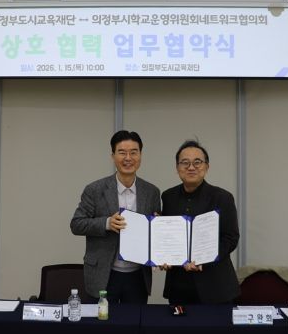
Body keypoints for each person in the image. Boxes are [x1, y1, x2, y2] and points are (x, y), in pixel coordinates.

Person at [70, 130, 161, 304]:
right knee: (102, 320)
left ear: (140, 155)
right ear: (113, 156)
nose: (128, 158)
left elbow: (154, 231)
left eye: (133, 152)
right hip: (104, 273)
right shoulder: (95, 189)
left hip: (138, 275)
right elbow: (76, 224)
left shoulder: (152, 192)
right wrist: (107, 223)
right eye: (122, 152)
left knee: (135, 320)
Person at [161, 139, 240, 304]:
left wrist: (204, 258)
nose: (191, 167)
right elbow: (167, 236)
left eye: (197, 162)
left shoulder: (222, 198)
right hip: (179, 285)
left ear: (207, 166)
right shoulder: (168, 197)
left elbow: (230, 238)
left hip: (216, 286)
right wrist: (162, 255)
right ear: (177, 168)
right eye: (185, 163)